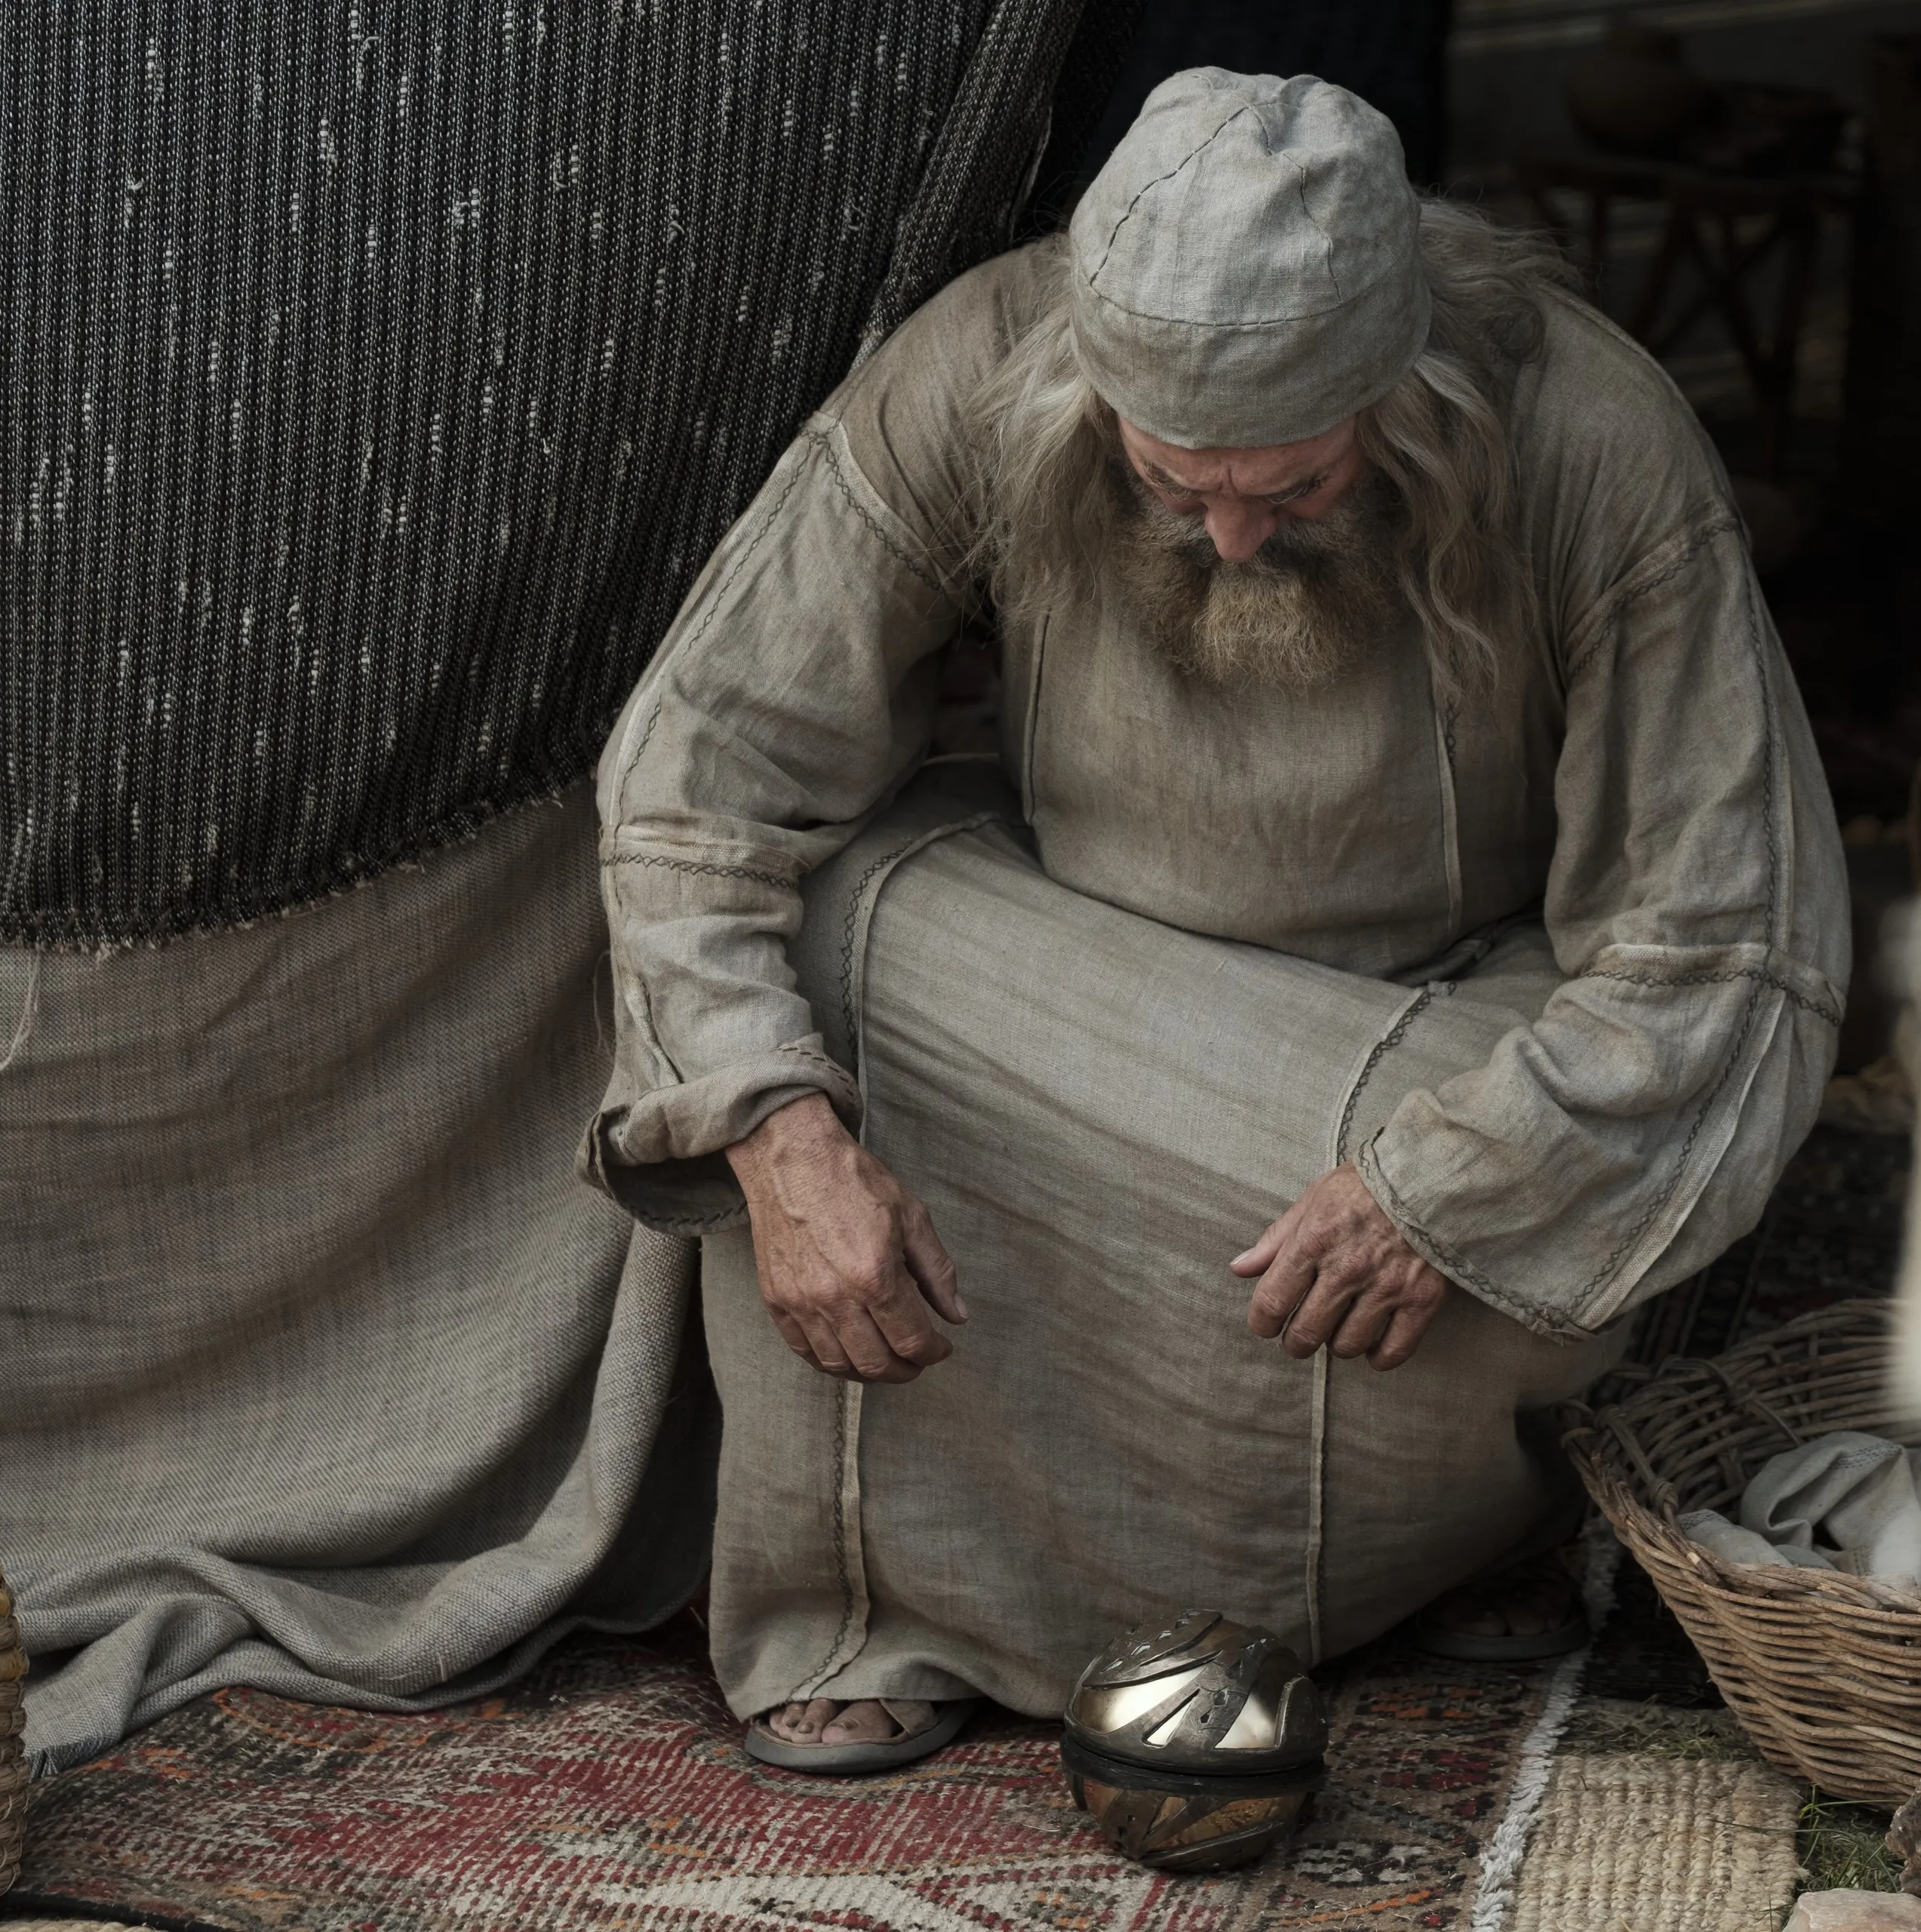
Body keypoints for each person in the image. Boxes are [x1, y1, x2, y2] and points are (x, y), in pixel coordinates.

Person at [584, 68, 1849, 1772]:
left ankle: (1430, 1554)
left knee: (1546, 1234)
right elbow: (693, 769)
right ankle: (891, 1599)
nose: (1236, 535)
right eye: (1176, 481)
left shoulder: (1596, 440)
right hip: (1060, 1002)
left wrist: (1451, 1185)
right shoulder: (984, 362)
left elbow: (1727, 945)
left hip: (1428, 1040)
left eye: (1299, 485)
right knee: (801, 985)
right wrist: (777, 1132)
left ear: (1411, 390)